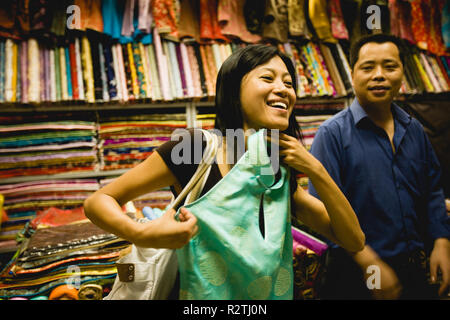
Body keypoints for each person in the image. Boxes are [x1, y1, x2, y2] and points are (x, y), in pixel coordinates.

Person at [84, 44, 365, 299]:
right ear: (234, 88)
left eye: (289, 83)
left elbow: (353, 239)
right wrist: (141, 234)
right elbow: (98, 201)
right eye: (267, 78)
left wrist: (316, 169)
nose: (283, 89)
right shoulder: (195, 148)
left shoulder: (276, 167)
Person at [308, 34, 450, 300]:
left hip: (417, 268)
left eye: (390, 66)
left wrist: (442, 241)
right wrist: (368, 263)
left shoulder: (414, 129)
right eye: (368, 67)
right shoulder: (332, 134)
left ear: (402, 73)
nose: (379, 75)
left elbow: (432, 189)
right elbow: (323, 213)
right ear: (352, 74)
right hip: (356, 274)